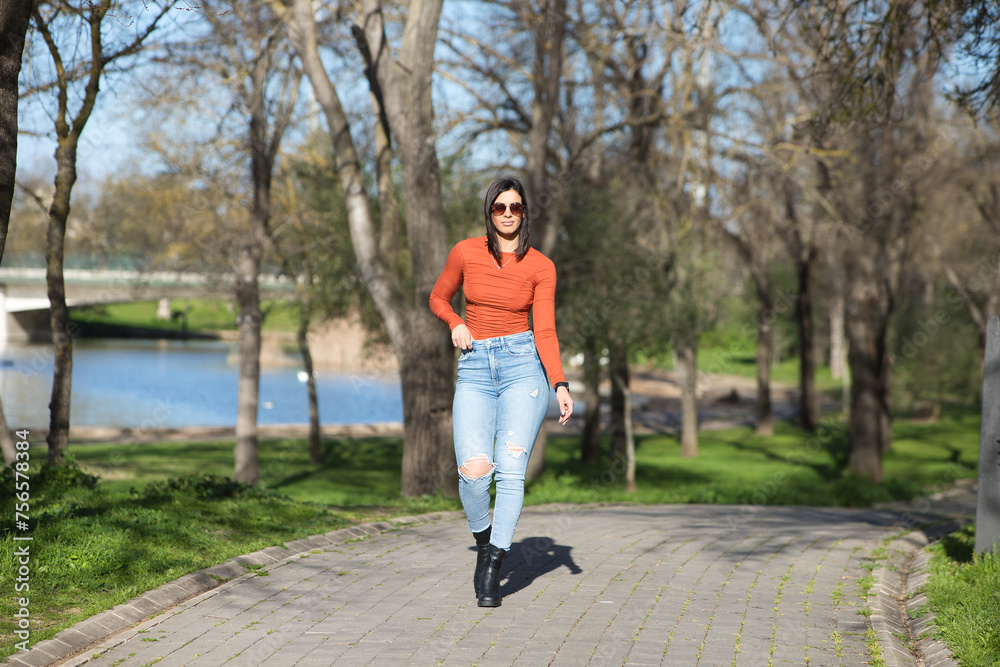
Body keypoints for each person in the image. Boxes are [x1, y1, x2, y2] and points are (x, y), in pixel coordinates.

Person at [429, 176, 574, 608]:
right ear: (489, 212)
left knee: (510, 473)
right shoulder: (465, 251)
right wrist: (456, 323)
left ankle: (492, 561)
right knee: (474, 474)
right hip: (475, 367)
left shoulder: (541, 266)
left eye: (515, 207)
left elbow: (544, 330)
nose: (507, 214)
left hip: (522, 367)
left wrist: (560, 384)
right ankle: (484, 538)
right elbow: (438, 298)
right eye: (499, 207)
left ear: (524, 212)